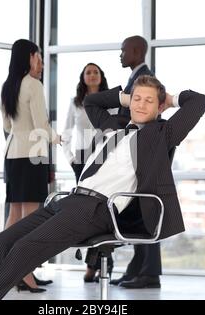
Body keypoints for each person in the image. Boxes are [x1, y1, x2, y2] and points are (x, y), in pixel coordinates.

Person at [0, 75, 205, 300]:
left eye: (149, 101)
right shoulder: (114, 128)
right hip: (69, 200)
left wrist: (171, 99)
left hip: (97, 209)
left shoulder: (160, 134)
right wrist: (123, 96)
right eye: (137, 98)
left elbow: (199, 102)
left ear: (159, 106)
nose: (141, 105)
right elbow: (91, 101)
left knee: (25, 248)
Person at [0, 39, 61, 293]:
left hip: (13, 154)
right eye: (38, 56)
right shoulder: (33, 85)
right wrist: (58, 138)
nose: (42, 62)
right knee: (31, 219)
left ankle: (6, 269)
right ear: (29, 57)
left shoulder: (8, 86)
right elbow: (40, 125)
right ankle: (25, 273)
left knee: (14, 216)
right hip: (32, 154)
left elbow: (6, 126)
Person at [110, 35, 162, 289]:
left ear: (137, 51)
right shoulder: (136, 79)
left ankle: (150, 273)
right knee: (139, 211)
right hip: (134, 151)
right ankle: (138, 269)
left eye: (123, 50)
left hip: (141, 153)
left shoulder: (146, 80)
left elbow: (145, 117)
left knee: (148, 212)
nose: (120, 55)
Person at [62, 63, 113, 282]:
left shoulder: (110, 100)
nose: (92, 75)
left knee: (104, 210)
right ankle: (92, 264)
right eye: (88, 72)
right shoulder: (76, 103)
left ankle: (102, 264)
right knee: (86, 213)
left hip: (105, 158)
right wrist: (71, 158)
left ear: (101, 77)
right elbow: (66, 132)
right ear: (83, 78)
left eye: (96, 72)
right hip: (82, 160)